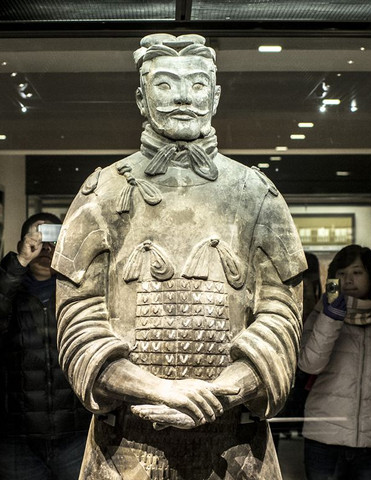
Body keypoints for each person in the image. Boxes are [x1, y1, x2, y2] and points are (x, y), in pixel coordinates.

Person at [51, 33, 307, 479]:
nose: (184, 98)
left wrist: (227, 389)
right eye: (166, 85)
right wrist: (153, 389)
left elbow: (282, 315)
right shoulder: (104, 191)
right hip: (127, 444)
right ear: (141, 96)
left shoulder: (256, 193)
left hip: (235, 444)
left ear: (217, 95)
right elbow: (77, 319)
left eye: (198, 84)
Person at [0, 213, 91, 480]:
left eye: (54, 239)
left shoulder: (80, 289)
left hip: (75, 432)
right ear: (24, 241)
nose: (46, 247)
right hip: (17, 437)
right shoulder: (8, 287)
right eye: (39, 237)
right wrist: (19, 261)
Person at [298, 244, 371, 480]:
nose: (348, 280)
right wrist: (330, 318)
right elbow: (309, 365)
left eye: (357, 272)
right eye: (341, 274)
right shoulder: (322, 315)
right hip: (324, 440)